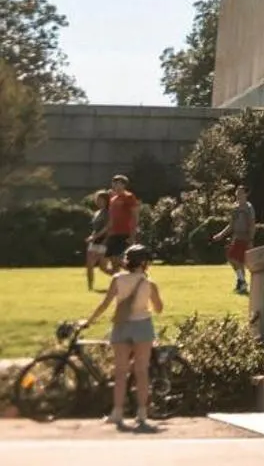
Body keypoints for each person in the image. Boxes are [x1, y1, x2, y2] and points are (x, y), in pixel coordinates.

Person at [81, 244, 163, 430]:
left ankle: (117, 412)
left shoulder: (117, 279)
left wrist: (89, 321)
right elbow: (158, 308)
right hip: (142, 327)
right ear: (144, 263)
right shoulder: (149, 284)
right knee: (141, 372)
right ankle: (142, 413)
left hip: (121, 326)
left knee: (120, 372)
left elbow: (105, 304)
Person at [212, 185, 257, 295]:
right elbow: (231, 225)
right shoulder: (235, 208)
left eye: (241, 193)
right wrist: (221, 235)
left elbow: (252, 224)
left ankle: (241, 282)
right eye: (237, 193)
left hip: (244, 237)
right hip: (236, 237)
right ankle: (241, 282)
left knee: (234, 259)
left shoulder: (248, 208)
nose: (238, 195)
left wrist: (251, 239)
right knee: (235, 259)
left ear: (246, 194)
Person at [101, 175, 140, 275]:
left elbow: (135, 216)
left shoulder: (129, 197)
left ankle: (137, 273)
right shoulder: (113, 199)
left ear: (124, 185)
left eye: (119, 183)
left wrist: (132, 235)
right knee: (104, 264)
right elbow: (112, 218)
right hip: (113, 233)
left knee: (116, 258)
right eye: (114, 183)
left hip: (124, 233)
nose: (116, 186)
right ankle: (121, 280)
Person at [84, 190, 109, 290]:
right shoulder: (97, 213)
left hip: (105, 241)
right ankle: (90, 287)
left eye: (100, 200)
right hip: (94, 241)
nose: (98, 201)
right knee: (89, 265)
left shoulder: (109, 212)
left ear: (106, 200)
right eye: (97, 199)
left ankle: (121, 278)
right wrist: (92, 237)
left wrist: (96, 236)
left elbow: (107, 227)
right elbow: (96, 228)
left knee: (103, 268)